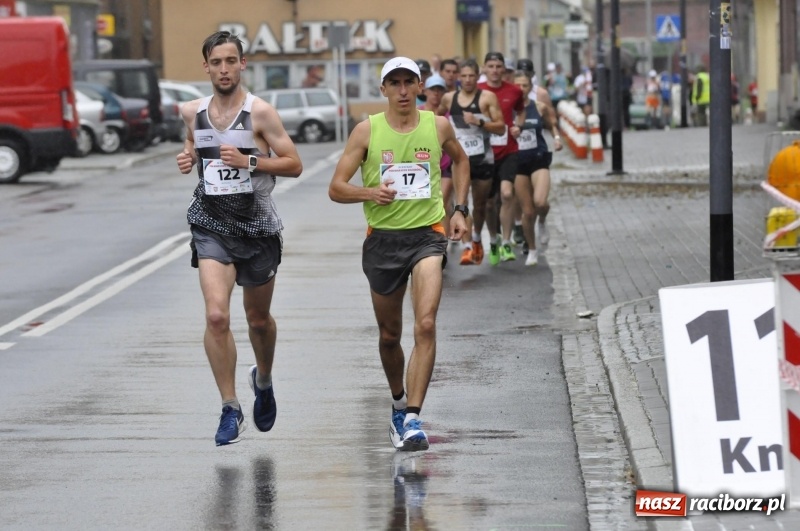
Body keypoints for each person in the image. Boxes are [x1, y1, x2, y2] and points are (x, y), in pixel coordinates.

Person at [328, 56, 470, 452]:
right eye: (396, 83)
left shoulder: (437, 125)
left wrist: (460, 209)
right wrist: (369, 192)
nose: (404, 90)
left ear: (419, 86)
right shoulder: (365, 131)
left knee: (425, 325)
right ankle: (396, 402)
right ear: (384, 89)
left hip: (427, 236)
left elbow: (460, 159)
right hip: (383, 240)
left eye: (410, 82)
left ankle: (412, 416)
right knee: (390, 335)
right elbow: (336, 187)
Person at [175, 31, 303, 446]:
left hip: (258, 227)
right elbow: (195, 143)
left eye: (232, 61)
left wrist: (250, 160)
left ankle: (262, 381)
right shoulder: (191, 111)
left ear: (242, 64)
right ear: (206, 66)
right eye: (217, 62)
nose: (224, 69)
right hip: (210, 222)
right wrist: (188, 155)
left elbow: (294, 164)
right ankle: (230, 407)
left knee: (258, 320)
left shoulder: (260, 113)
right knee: (216, 316)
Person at [439, 59, 505, 265]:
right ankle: (469, 246)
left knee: (480, 204)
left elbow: (501, 127)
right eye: (464, 76)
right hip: (459, 160)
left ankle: (477, 239)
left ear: (478, 77)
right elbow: (436, 118)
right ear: (459, 77)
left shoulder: (487, 98)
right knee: (462, 203)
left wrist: (480, 121)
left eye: (471, 76)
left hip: (483, 159)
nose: (467, 80)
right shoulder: (449, 98)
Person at [478, 52, 526, 265]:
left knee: (507, 194)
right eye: (491, 66)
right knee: (489, 204)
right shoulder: (477, 92)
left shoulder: (514, 90)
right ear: (485, 69)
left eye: (499, 66)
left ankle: (506, 242)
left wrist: (519, 126)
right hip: (486, 153)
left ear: (504, 69)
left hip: (509, 150)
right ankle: (494, 240)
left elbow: (521, 110)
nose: (495, 70)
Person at [513, 71, 563, 266]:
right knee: (527, 211)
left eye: (525, 85)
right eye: (517, 85)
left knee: (540, 202)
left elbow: (552, 125)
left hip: (539, 158)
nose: (521, 89)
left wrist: (557, 139)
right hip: (518, 162)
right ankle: (532, 250)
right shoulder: (507, 109)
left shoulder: (539, 107)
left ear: (530, 88)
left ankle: (542, 221)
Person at [418, 74, 454, 235]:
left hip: (445, 165)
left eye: (440, 90)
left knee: (442, 203)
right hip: (422, 166)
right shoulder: (417, 113)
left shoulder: (448, 115)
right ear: (425, 91)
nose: (436, 94)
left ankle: (442, 246)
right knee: (424, 205)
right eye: (433, 90)